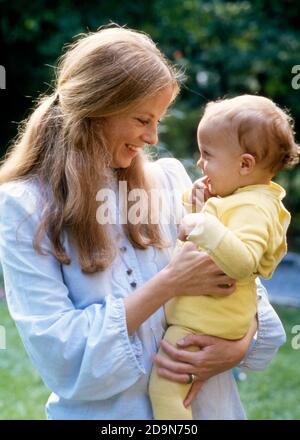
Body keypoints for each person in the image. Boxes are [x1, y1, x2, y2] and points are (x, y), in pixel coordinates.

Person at [0, 26, 286, 420]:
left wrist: (237, 346)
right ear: (98, 107)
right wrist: (170, 283)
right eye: (142, 119)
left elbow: (244, 280)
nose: (153, 137)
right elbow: (61, 355)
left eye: (158, 121)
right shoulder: (24, 206)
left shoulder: (169, 182)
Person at [149, 94, 299, 419]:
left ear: (245, 164)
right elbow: (215, 242)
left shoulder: (256, 207)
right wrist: (200, 207)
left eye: (207, 155)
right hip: (206, 317)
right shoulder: (241, 198)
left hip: (202, 323)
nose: (201, 164)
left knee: (163, 391)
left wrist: (200, 222)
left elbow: (243, 261)